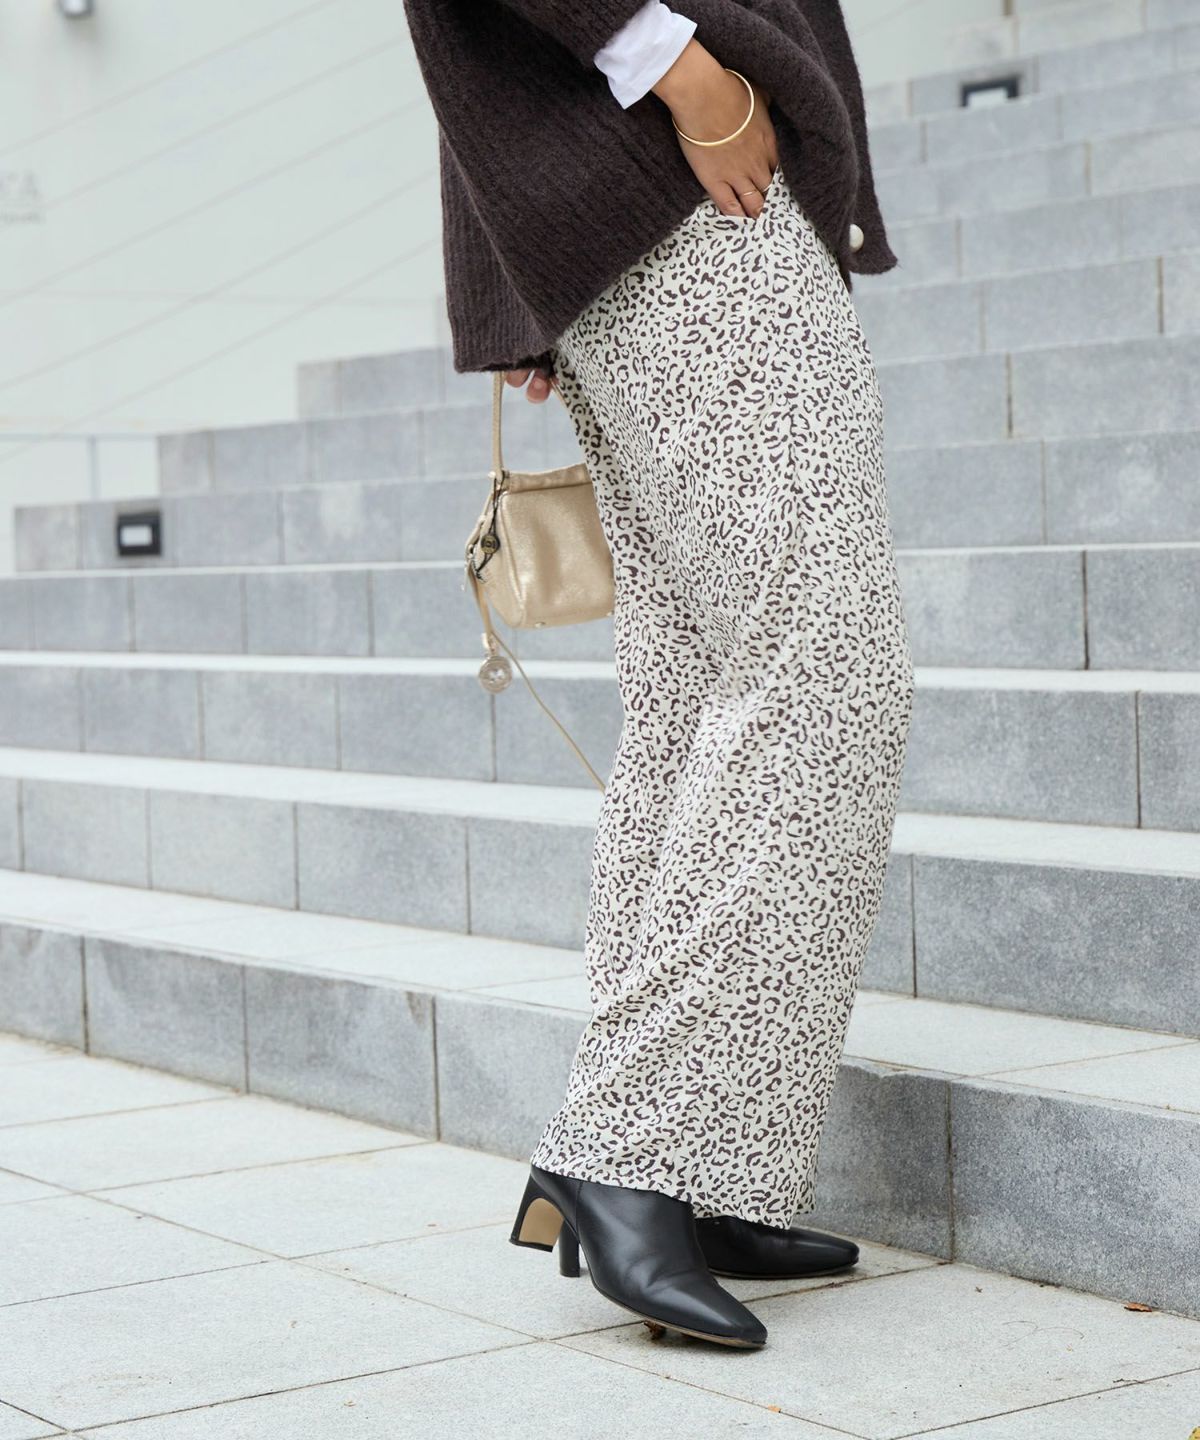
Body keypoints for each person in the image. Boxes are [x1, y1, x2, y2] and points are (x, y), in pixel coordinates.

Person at [402, 0, 915, 1349]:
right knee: (821, 668)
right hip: (676, 166)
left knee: (701, 690)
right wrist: (686, 77)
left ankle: (696, 1167)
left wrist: (521, 263)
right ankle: (634, 1147)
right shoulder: (679, 101)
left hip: (629, 186)